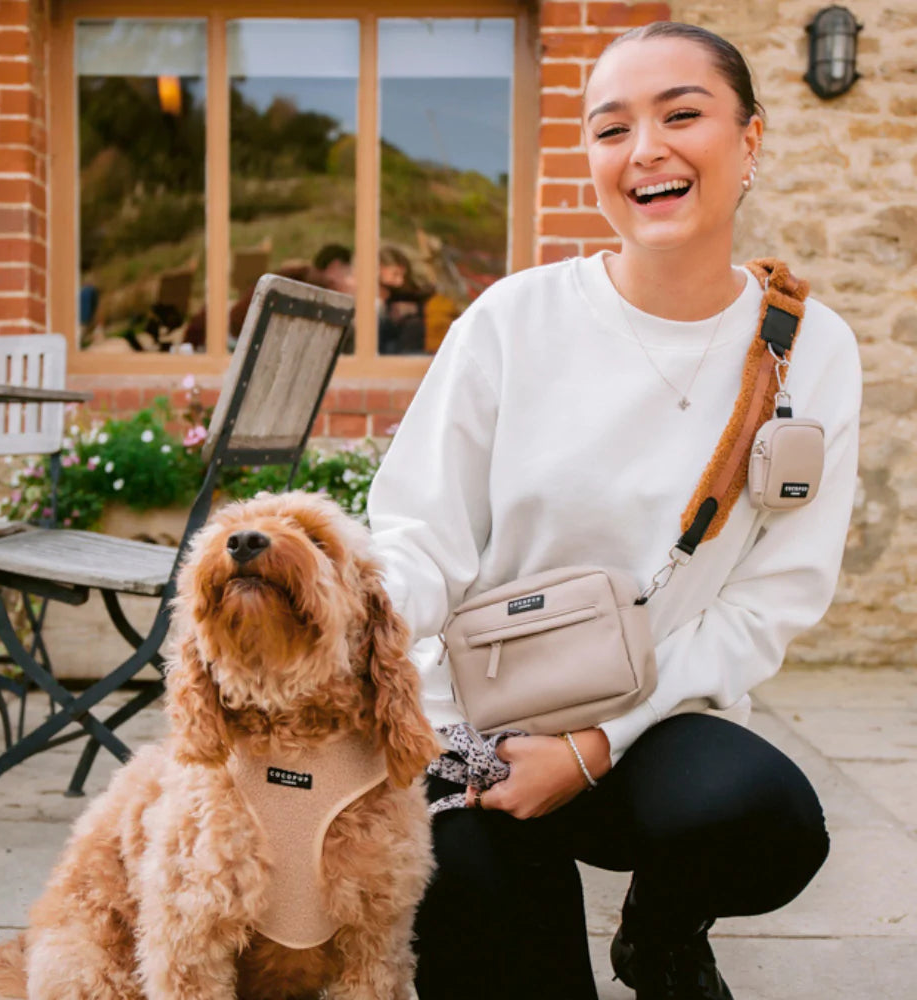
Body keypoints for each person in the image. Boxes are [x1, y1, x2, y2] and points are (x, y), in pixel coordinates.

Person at [366, 21, 861, 1000]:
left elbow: (771, 601)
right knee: (473, 907)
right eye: (610, 128)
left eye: (682, 114)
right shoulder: (513, 322)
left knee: (761, 815)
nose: (645, 150)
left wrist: (591, 747)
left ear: (749, 141)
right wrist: (369, 655)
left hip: (650, 719)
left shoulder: (812, 351)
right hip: (477, 717)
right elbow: (419, 532)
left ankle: (662, 935)